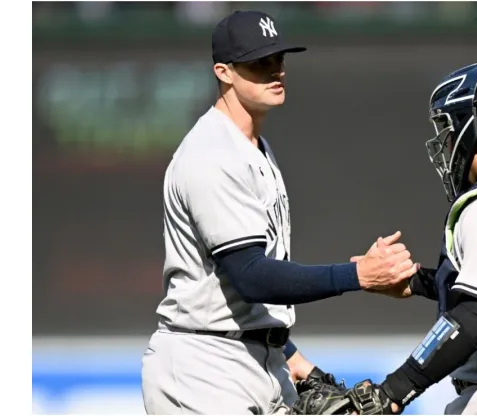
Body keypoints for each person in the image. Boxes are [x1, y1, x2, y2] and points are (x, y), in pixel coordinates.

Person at [140, 10, 419, 415]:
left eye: (279, 59)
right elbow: (251, 276)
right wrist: (358, 274)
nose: (276, 71)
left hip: (254, 361)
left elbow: (235, 294)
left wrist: (296, 361)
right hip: (204, 369)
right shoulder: (211, 154)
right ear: (224, 72)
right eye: (259, 62)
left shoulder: (256, 149)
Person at [295, 59, 477, 415]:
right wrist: (417, 282)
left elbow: (476, 313)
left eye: (448, 130)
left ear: (474, 124)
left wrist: (391, 392)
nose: (445, 144)